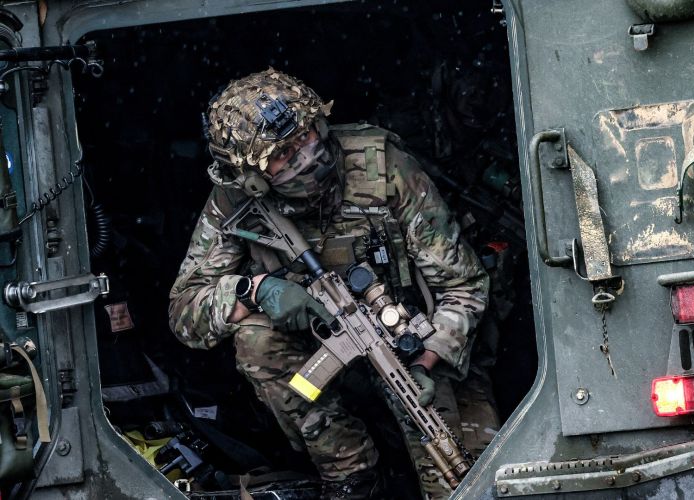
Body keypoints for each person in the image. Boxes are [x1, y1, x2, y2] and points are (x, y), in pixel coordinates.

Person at [168, 68, 497, 499]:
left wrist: (426, 361)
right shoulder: (236, 201)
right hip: (319, 362)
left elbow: (465, 285)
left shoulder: (381, 165)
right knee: (256, 339)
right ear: (252, 176)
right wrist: (256, 290)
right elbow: (185, 310)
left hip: (412, 352)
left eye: (305, 136)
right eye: (282, 156)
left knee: (465, 480)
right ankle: (351, 473)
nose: (306, 156)